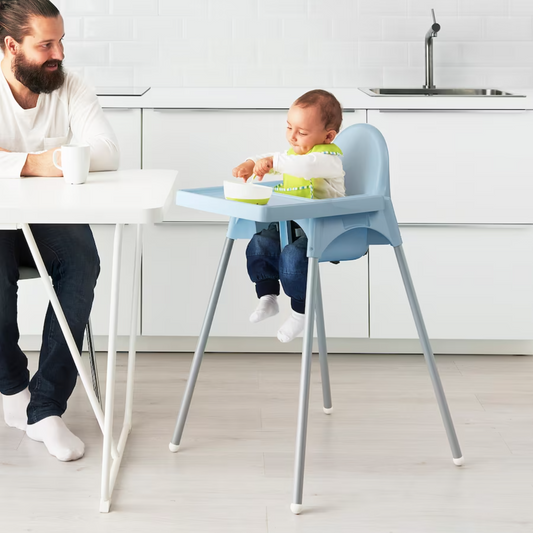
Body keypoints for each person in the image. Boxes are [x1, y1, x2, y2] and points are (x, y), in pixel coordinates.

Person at [0, 0, 119, 461]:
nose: (58, 54)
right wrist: (40, 162)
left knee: (83, 262)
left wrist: (10, 161)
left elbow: (107, 152)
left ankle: (46, 407)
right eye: (45, 44)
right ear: (12, 46)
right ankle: (11, 386)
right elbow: (80, 157)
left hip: (48, 222)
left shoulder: (70, 86)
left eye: (61, 41)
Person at [232, 89, 345, 343]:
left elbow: (302, 166)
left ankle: (300, 312)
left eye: (302, 133)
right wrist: (252, 164)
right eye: (289, 127)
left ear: (328, 136)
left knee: (293, 256)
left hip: (325, 227)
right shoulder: (294, 154)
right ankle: (267, 296)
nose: (292, 137)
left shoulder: (328, 159)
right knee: (259, 243)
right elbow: (277, 157)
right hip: (292, 224)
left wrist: (272, 162)